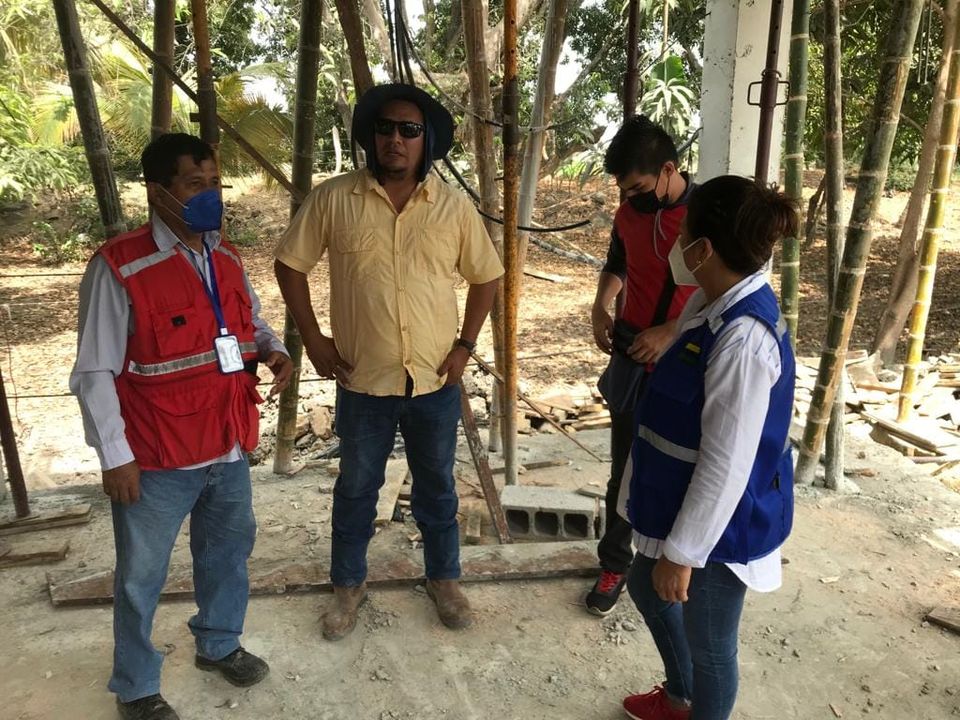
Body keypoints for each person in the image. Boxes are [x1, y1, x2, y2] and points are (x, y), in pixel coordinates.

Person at [70, 133, 293, 720]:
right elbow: (93, 371)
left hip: (227, 443)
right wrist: (114, 456)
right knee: (141, 576)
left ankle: (218, 642)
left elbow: (250, 321)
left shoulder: (227, 256)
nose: (211, 195)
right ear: (159, 193)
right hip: (157, 456)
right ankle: (137, 686)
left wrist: (272, 349)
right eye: (196, 185)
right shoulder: (120, 266)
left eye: (215, 183)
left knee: (227, 553)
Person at [273, 83, 503, 640]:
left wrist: (465, 345)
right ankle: (347, 587)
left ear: (427, 141)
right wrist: (313, 337)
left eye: (409, 130)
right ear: (370, 136)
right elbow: (289, 265)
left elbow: (487, 277)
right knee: (357, 489)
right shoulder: (333, 199)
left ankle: (443, 580)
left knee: (437, 489)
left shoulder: (452, 207)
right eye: (385, 128)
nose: (395, 139)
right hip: (362, 381)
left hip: (433, 381)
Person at [619, 176, 797, 720]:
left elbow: (726, 465)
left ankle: (697, 704)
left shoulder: (744, 341)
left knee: (711, 643)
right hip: (677, 502)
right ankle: (681, 698)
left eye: (684, 234)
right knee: (646, 588)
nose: (676, 243)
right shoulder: (707, 302)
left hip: (721, 525)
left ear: (703, 249)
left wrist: (681, 555)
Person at [587, 116, 697, 615]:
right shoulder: (628, 215)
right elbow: (618, 264)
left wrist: (672, 330)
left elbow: (730, 288)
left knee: (682, 469)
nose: (629, 198)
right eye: (623, 190)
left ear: (668, 170)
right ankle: (615, 563)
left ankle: (678, 564)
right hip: (632, 357)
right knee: (624, 471)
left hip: (688, 362)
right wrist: (599, 305)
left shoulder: (708, 215)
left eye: (637, 188)